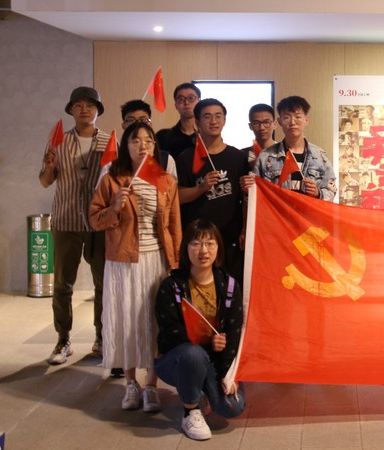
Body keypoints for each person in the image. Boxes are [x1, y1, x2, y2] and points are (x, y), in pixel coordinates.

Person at [89, 122, 182, 411]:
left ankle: (151, 386)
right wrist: (115, 207)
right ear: (125, 146)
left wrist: (175, 264)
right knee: (127, 320)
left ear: (154, 146)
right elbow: (94, 220)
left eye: (148, 141)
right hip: (123, 262)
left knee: (155, 322)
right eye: (136, 141)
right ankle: (130, 383)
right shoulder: (112, 179)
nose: (143, 146)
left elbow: (174, 226)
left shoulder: (165, 181)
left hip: (157, 262)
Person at [154, 220, 246, 441]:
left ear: (218, 248)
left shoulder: (229, 285)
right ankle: (190, 410)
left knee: (232, 407)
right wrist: (207, 341)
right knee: (192, 354)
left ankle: (201, 388)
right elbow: (169, 333)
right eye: (196, 244)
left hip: (213, 361)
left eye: (210, 244)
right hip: (176, 359)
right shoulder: (172, 286)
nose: (203, 251)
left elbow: (233, 333)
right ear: (186, 248)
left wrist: (228, 374)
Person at [39, 86, 107, 365]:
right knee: (62, 284)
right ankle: (63, 339)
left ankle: (102, 337)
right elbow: (45, 181)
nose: (84, 110)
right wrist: (49, 166)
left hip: (98, 222)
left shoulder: (108, 142)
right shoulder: (58, 141)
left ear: (97, 110)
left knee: (103, 284)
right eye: (78, 105)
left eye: (90, 105)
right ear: (71, 110)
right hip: (65, 219)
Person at [176, 98, 251, 283]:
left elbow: (244, 199)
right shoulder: (186, 158)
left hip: (230, 235)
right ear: (197, 122)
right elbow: (177, 197)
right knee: (200, 284)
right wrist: (201, 188)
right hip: (198, 237)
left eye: (218, 116)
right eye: (207, 117)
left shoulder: (237, 156)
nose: (214, 121)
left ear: (224, 120)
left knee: (231, 285)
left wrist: (244, 228)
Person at [254, 95, 337, 201]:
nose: (292, 122)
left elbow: (332, 190)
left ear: (306, 120)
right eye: (287, 117)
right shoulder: (266, 156)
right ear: (279, 122)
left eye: (298, 117)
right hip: (279, 211)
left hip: (307, 211)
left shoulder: (320, 156)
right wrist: (248, 188)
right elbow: (256, 192)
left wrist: (318, 193)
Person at [156, 83, 200, 159]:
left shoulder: (207, 136)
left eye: (191, 98)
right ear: (176, 105)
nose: (186, 102)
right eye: (181, 99)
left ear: (199, 102)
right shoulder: (162, 137)